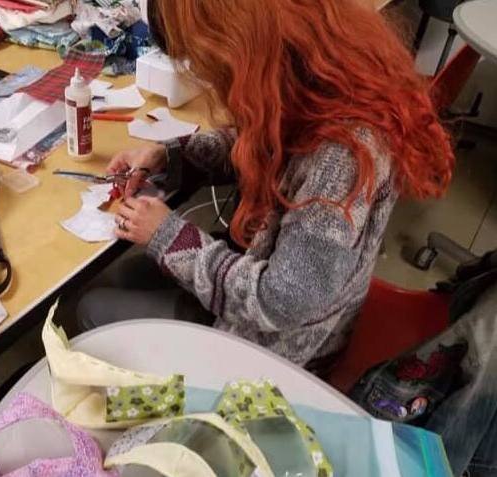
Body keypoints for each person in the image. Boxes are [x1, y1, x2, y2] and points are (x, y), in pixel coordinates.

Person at [77, 0, 454, 372]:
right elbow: (265, 143)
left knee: (91, 308)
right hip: (272, 279)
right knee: (124, 276)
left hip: (285, 347)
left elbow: (278, 303)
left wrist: (170, 236)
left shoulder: (343, 156)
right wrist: (173, 156)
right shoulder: (320, 78)